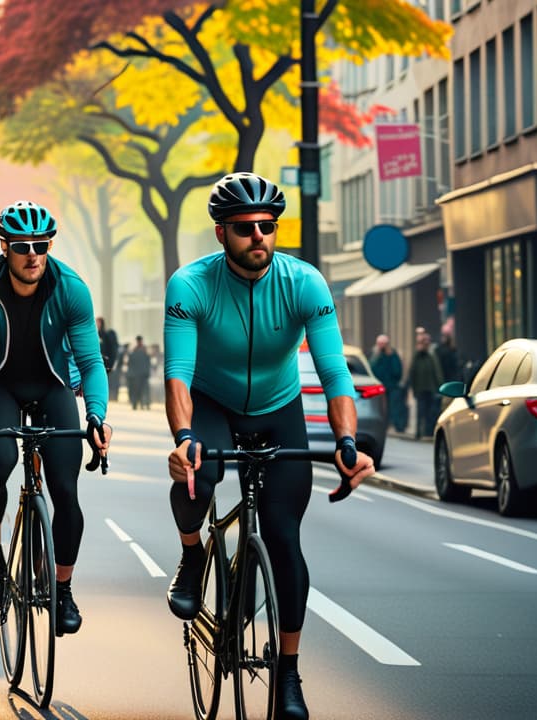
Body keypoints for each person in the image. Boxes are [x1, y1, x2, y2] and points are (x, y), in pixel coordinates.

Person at [163, 172, 375, 720]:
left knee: (283, 538)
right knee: (199, 475)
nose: (259, 236)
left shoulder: (305, 283)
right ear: (220, 233)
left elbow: (335, 375)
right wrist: (185, 439)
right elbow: (179, 376)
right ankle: (192, 557)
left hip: (279, 409)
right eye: (244, 228)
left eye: (268, 226)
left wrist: (348, 442)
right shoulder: (190, 285)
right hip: (212, 401)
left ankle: (288, 673)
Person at [0, 200, 111, 636]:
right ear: (5, 247)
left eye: (41, 244)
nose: (33, 254)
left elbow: (91, 363)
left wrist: (96, 416)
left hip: (53, 386)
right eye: (22, 246)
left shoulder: (70, 287)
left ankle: (64, 588)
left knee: (65, 487)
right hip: (0, 386)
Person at [407, 328, 443, 439]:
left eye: (425, 343)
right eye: (422, 343)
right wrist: (413, 389)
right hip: (420, 389)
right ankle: (418, 432)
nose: (424, 345)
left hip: (431, 388)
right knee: (420, 412)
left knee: (430, 412)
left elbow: (437, 372)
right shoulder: (417, 357)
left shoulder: (431, 356)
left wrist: (440, 387)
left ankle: (428, 432)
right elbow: (412, 373)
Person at [369, 334, 405, 432]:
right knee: (381, 409)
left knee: (394, 407)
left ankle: (398, 427)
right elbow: (372, 370)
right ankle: (383, 426)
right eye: (380, 344)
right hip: (379, 387)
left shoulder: (393, 355)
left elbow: (398, 371)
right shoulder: (374, 356)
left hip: (392, 386)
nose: (382, 347)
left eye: (383, 344)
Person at [126, 336, 151, 410]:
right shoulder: (142, 350)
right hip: (139, 373)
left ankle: (142, 404)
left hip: (141, 373)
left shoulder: (136, 350)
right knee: (140, 389)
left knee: (141, 390)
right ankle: (138, 404)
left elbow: (130, 362)